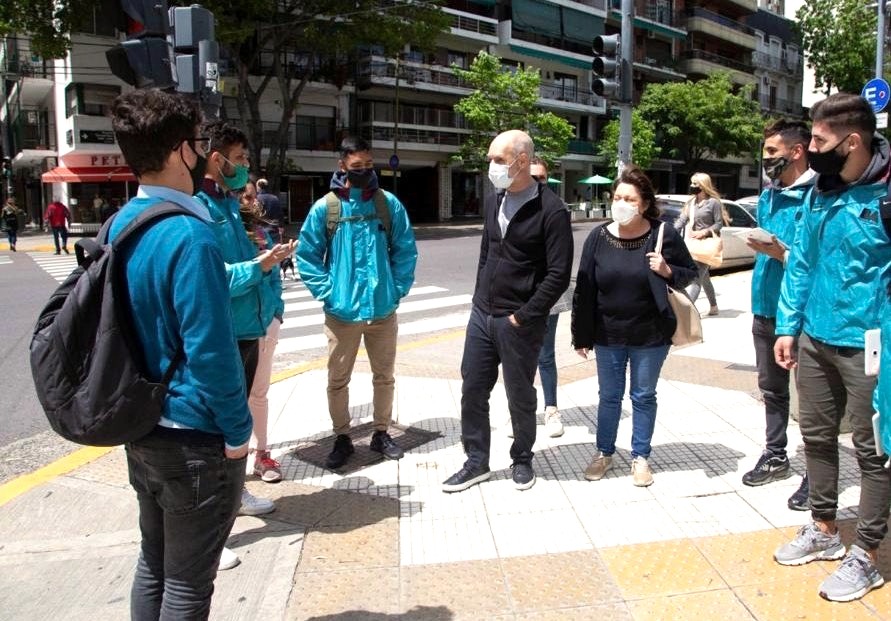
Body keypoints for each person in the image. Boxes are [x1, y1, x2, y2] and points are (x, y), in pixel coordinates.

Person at [109, 88, 253, 619]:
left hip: (139, 423)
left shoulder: (121, 223)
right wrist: (239, 433)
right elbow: (212, 353)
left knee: (154, 563)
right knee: (189, 586)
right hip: (192, 435)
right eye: (197, 143)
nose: (202, 154)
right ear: (178, 151)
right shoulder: (191, 236)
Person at [772, 93, 891, 603]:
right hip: (817, 338)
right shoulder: (822, 188)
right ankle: (823, 531)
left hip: (871, 345)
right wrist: (787, 326)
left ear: (853, 141)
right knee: (817, 437)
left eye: (818, 140)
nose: (810, 149)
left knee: (875, 452)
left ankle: (866, 554)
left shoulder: (885, 194)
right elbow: (802, 261)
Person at [441, 130, 573, 493]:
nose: (492, 166)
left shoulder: (552, 210)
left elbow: (559, 275)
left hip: (519, 320)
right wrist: (478, 299)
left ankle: (522, 458)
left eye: (498, 160)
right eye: (491, 160)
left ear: (521, 160)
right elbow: (487, 250)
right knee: (472, 389)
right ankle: (476, 461)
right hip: (482, 314)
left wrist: (525, 315)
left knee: (520, 394)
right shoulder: (493, 198)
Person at [297, 136, 418, 470]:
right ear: (342, 166)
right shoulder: (327, 207)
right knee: (338, 379)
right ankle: (341, 437)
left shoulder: (387, 204)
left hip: (382, 309)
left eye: (368, 165)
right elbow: (306, 256)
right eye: (356, 167)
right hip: (342, 312)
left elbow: (405, 250)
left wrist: (396, 290)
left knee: (385, 375)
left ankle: (381, 432)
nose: (364, 171)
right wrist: (329, 293)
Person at [572, 166, 697, 487]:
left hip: (651, 334)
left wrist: (668, 270)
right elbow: (584, 289)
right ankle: (604, 452)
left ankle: (640, 457)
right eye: (617, 197)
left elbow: (689, 272)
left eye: (629, 198)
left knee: (643, 396)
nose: (621, 203)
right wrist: (580, 335)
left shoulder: (662, 233)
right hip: (608, 333)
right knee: (609, 397)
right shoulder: (598, 236)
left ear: (643, 203)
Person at [196, 122, 293, 523]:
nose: (245, 166)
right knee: (217, 426)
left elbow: (252, 264)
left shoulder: (228, 203)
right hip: (226, 332)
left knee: (236, 420)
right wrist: (261, 265)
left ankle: (234, 493)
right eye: (239, 159)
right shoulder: (198, 208)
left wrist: (272, 297)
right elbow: (214, 278)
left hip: (250, 327)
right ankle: (216, 513)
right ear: (216, 159)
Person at [741, 119, 814, 513]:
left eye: (771, 152)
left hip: (801, 313)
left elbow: (814, 261)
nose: (765, 158)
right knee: (772, 390)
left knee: (812, 402)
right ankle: (775, 454)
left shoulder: (817, 195)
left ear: (797, 151)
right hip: (765, 307)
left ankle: (816, 474)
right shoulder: (769, 194)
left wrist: (782, 254)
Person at [239, 180, 285, 484]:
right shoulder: (217, 231)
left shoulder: (262, 235)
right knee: (231, 397)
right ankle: (233, 462)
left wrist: (276, 315)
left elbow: (275, 280)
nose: (247, 199)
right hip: (232, 327)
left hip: (264, 323)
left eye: (251, 195)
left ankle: (262, 453)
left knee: (259, 393)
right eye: (242, 194)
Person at [530, 156, 570, 438]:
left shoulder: (557, 209)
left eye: (541, 178)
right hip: (516, 296)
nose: (536, 184)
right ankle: (520, 409)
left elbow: (561, 263)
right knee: (518, 358)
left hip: (547, 296)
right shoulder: (507, 205)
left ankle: (551, 408)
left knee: (545, 354)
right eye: (532, 178)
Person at [674, 172, 724, 316]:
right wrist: (670, 231)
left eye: (696, 184)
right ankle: (714, 306)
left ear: (703, 186)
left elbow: (719, 224)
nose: (692, 186)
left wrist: (704, 232)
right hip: (693, 245)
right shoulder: (691, 203)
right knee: (704, 278)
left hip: (707, 246)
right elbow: (681, 221)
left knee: (696, 278)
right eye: (692, 183)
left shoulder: (713, 203)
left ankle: (686, 311)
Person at [256, 178, 283, 243]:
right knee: (276, 251)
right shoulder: (274, 198)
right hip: (273, 229)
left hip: (260, 231)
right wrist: (281, 226)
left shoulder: (256, 199)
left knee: (264, 252)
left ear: (258, 187)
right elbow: (280, 214)